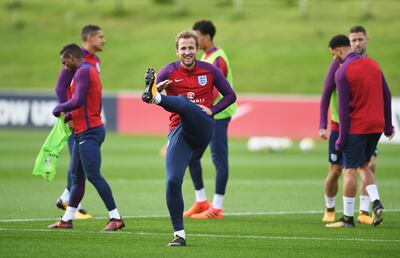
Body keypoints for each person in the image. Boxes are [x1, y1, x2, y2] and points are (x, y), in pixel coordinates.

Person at [141, 30, 236, 246]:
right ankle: (179, 235)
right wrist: (156, 89)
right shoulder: (169, 71)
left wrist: (213, 109)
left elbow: (231, 95)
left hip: (203, 126)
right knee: (173, 181)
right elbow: (143, 96)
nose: (187, 52)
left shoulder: (210, 70)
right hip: (179, 131)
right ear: (177, 51)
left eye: (191, 47)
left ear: (197, 48)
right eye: (183, 48)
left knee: (183, 102)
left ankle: (159, 99)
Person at [48, 43, 124, 231]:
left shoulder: (83, 71)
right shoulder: (85, 71)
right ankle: (67, 220)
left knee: (93, 175)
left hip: (89, 132)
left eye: (66, 63)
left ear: (73, 58)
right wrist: (71, 116)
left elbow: (78, 100)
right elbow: (87, 103)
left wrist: (59, 108)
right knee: (77, 177)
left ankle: (115, 217)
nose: (65, 67)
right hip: (84, 129)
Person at [324, 34, 394, 228]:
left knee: (349, 170)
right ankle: (376, 201)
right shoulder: (373, 64)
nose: (334, 59)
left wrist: (341, 139)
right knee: (365, 164)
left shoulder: (342, 71)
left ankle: (347, 218)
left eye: (334, 54)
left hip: (358, 127)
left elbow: (344, 111)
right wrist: (388, 125)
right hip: (376, 126)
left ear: (338, 50)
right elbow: (386, 95)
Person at [319, 26, 378, 224]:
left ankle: (362, 212)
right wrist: (322, 124)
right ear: (347, 44)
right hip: (339, 127)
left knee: (369, 164)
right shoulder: (338, 63)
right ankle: (330, 208)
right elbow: (327, 92)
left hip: (361, 127)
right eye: (353, 40)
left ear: (367, 40)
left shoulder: (369, 64)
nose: (357, 44)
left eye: (360, 39)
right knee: (336, 170)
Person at [180, 20, 237, 219]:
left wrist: (204, 110)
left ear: (207, 37)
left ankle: (217, 208)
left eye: (197, 36)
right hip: (205, 115)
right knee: (192, 156)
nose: (194, 40)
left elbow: (213, 90)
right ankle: (202, 201)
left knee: (219, 159)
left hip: (218, 115)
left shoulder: (218, 60)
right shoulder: (206, 56)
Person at [54, 24, 106, 219]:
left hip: (89, 118)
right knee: (79, 163)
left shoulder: (94, 60)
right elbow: (60, 88)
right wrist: (67, 115)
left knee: (80, 163)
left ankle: (68, 200)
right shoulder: (74, 59)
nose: (104, 40)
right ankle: (70, 203)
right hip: (76, 119)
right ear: (89, 38)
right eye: (100, 37)